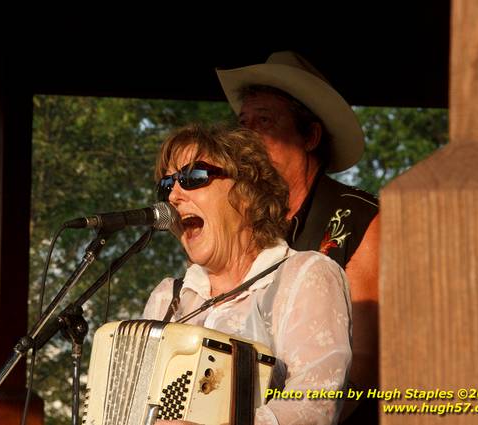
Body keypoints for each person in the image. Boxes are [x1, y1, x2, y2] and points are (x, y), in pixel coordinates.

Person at [143, 124, 353, 425]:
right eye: (166, 185)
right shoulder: (168, 298)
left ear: (246, 193)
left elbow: (315, 404)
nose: (173, 196)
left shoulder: (304, 276)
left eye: (192, 177)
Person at [217, 52, 379, 422]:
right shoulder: (241, 224)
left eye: (265, 122)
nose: (247, 137)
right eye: (244, 123)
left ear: (310, 136)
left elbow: (363, 364)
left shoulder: (361, 217)